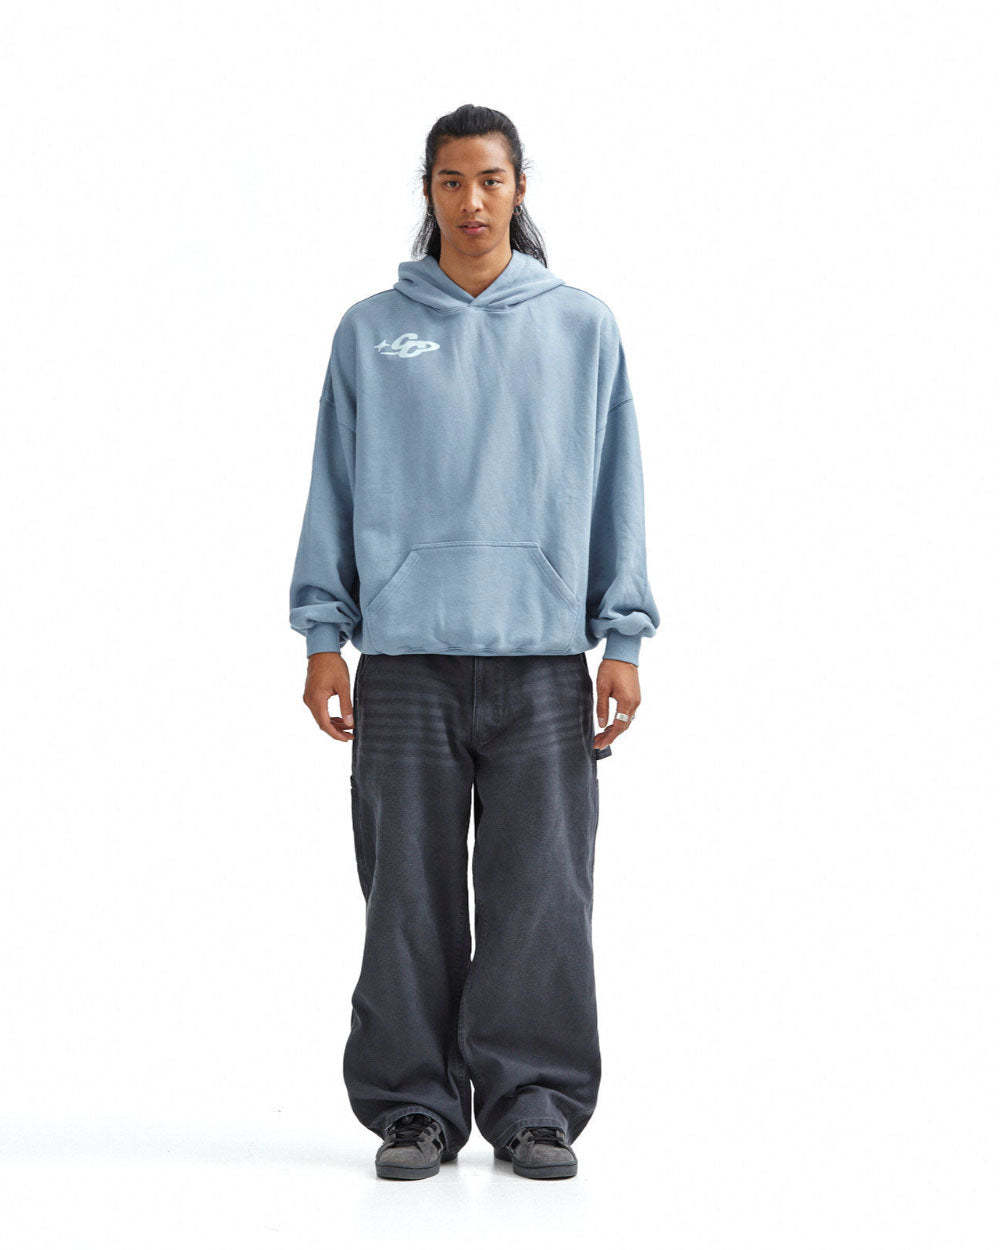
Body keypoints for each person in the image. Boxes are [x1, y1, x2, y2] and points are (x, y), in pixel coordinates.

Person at [289, 104, 659, 1181]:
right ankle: (413, 1106)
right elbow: (333, 483)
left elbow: (617, 486)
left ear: (520, 188)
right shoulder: (371, 331)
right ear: (428, 194)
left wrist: (622, 639)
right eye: (450, 182)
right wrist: (324, 634)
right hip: (405, 664)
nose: (471, 201)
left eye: (490, 180)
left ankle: (533, 1103)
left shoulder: (582, 326)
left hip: (542, 661)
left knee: (542, 897)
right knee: (405, 897)